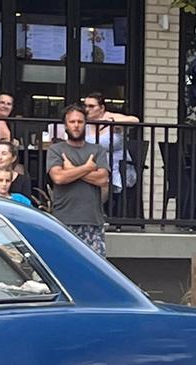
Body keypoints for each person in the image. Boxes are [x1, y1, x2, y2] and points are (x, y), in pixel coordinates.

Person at [47, 104, 110, 258]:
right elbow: (59, 177)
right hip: (63, 220)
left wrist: (71, 169)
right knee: (63, 266)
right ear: (65, 125)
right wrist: (88, 168)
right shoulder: (56, 149)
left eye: (80, 122)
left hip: (92, 221)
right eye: (72, 122)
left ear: (85, 124)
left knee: (95, 269)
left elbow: (102, 179)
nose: (76, 126)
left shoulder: (97, 150)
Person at [82, 93, 140, 195]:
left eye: (91, 106)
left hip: (115, 167)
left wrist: (111, 121)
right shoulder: (84, 122)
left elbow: (135, 120)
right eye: (85, 106)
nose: (87, 109)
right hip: (90, 165)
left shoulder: (111, 118)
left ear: (101, 108)